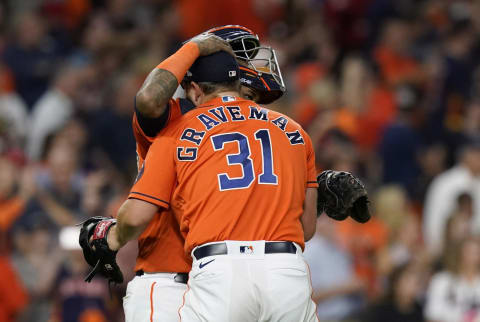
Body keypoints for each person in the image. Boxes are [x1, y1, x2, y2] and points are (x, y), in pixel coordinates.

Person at [107, 48, 318, 321]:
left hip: (220, 269)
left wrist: (111, 238)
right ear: (240, 84)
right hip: (286, 268)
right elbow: (307, 228)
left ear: (194, 90)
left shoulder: (177, 132)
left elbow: (136, 216)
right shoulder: (294, 130)